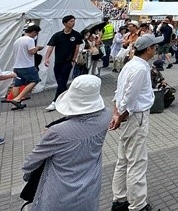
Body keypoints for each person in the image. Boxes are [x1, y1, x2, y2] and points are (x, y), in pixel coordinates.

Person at [21, 75, 111, 211]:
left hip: (59, 193)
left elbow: (30, 163)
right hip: (90, 186)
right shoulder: (107, 116)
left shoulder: (57, 132)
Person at [110, 33, 161, 211]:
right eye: (154, 46)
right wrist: (121, 115)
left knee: (123, 159)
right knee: (137, 161)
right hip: (136, 116)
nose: (156, 49)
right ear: (148, 49)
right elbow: (130, 97)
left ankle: (120, 199)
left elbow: (119, 92)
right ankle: (138, 205)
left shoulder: (130, 64)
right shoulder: (140, 68)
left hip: (128, 115)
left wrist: (117, 113)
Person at [44, 15, 83, 111]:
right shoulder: (57, 35)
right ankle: (69, 98)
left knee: (62, 80)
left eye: (74, 21)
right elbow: (50, 46)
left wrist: (74, 59)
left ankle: (55, 102)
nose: (73, 23)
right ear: (65, 23)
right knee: (60, 82)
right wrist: (46, 58)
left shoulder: (76, 35)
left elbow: (77, 48)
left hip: (68, 61)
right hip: (58, 61)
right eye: (70, 21)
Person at [9, 25, 44, 110]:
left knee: (17, 84)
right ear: (34, 32)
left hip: (17, 66)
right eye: (36, 33)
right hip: (27, 65)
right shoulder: (30, 40)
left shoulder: (17, 40)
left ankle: (15, 104)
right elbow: (32, 51)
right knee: (35, 80)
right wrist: (38, 48)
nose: (36, 36)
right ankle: (18, 99)